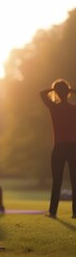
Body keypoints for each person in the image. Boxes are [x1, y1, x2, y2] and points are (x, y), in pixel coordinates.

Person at [40, 79, 76, 218]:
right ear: (68, 92)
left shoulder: (54, 107)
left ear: (57, 93)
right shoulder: (74, 108)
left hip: (60, 147)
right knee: (75, 181)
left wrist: (55, 90)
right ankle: (75, 213)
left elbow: (42, 94)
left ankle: (53, 212)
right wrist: (70, 90)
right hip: (73, 147)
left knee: (57, 181)